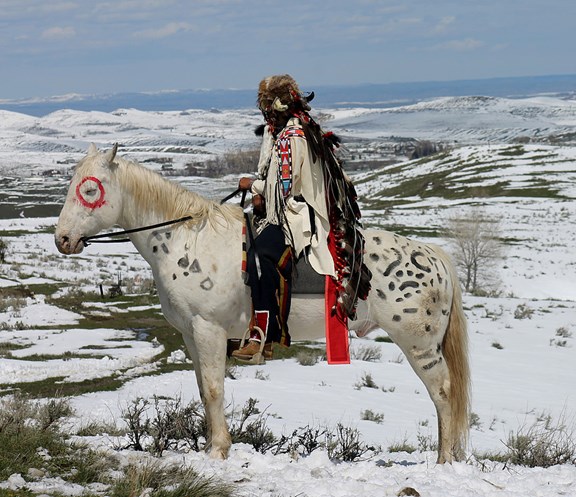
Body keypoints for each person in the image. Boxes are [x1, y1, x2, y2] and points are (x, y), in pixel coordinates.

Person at [232, 74, 370, 362]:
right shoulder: (285, 133)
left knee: (260, 255)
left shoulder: (292, 137)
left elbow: (284, 187)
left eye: (267, 107)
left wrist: (252, 186)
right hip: (280, 211)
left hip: (293, 217)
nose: (266, 113)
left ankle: (263, 335)